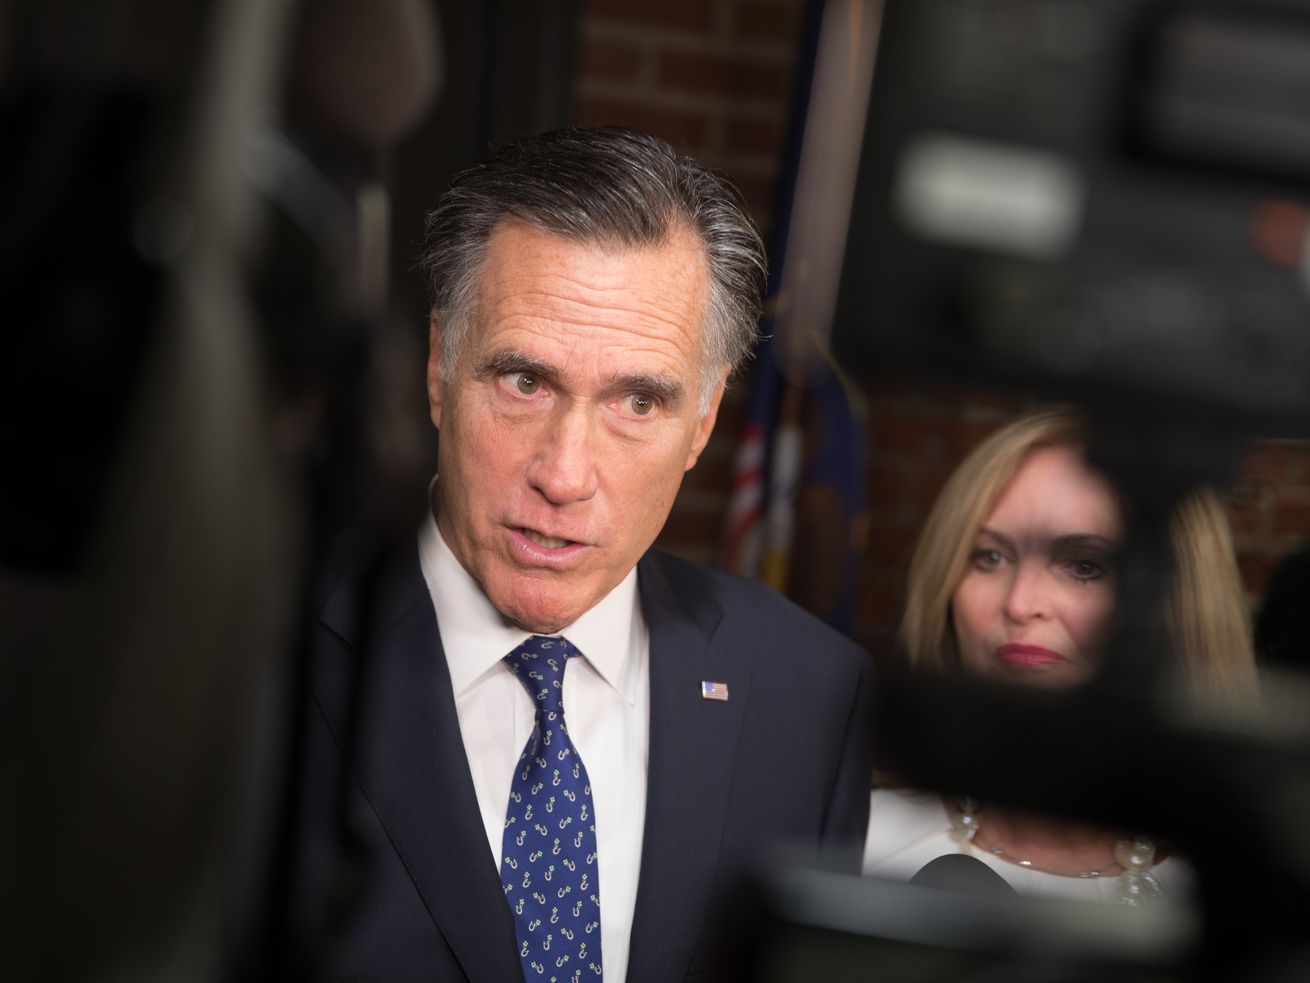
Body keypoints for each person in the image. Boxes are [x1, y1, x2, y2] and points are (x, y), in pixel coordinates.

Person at [290, 127, 876, 982]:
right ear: (439, 366)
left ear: (704, 420)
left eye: (637, 401)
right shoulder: (259, 654)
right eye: (525, 381)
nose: (564, 475)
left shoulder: (810, 694)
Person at [863, 407, 1256, 903]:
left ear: (1179, 601)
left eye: (1085, 566)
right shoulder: (858, 838)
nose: (1020, 604)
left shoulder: (1241, 892)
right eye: (989, 556)